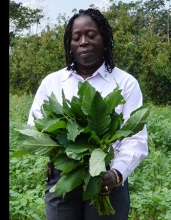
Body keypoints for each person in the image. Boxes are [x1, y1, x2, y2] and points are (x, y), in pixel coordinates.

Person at [27, 8, 148, 220]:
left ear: (104, 39)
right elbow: (35, 125)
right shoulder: (52, 82)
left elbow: (135, 139)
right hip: (64, 177)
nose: (84, 41)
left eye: (91, 35)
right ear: (70, 45)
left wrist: (115, 174)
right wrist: (61, 150)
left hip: (107, 180)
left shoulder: (125, 83)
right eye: (76, 37)